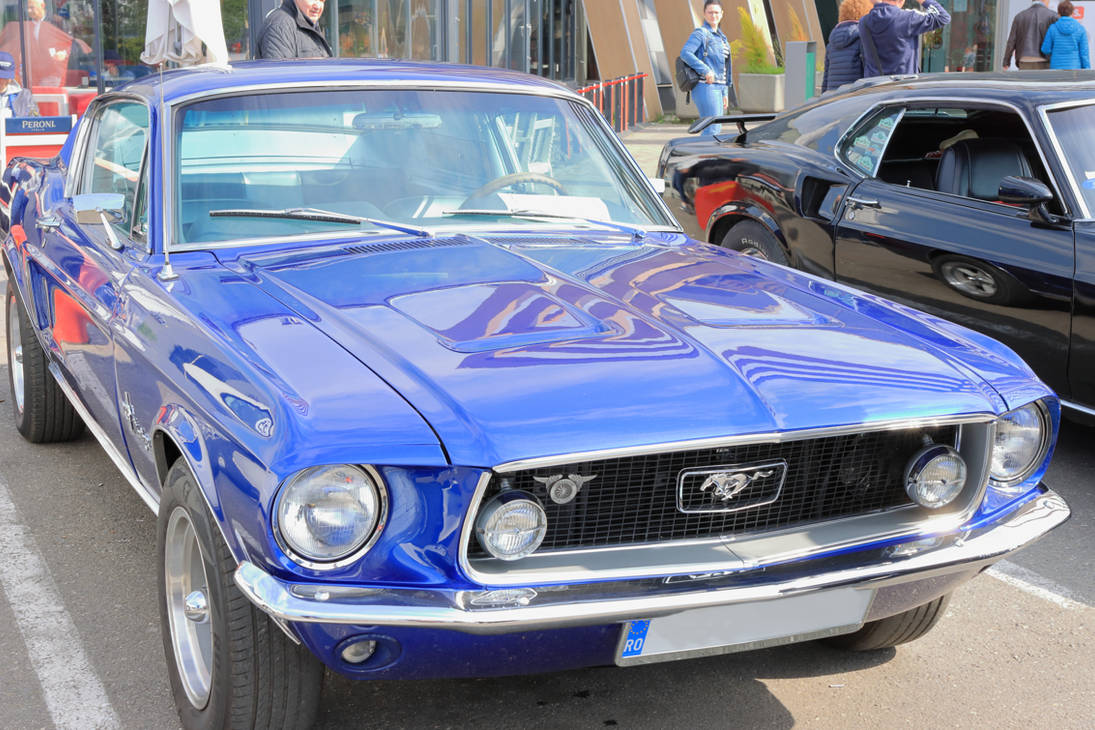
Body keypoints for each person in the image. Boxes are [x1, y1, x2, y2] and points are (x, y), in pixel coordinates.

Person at [0, 0, 89, 86]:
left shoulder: (57, 22)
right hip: (30, 71)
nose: (28, 11)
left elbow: (74, 43)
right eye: (27, 8)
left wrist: (64, 53)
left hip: (52, 72)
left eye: (32, 8)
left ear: (42, 6)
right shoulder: (25, 24)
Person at [858, 0, 950, 77]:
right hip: (902, 86)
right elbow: (943, 17)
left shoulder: (863, 22)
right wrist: (923, 1)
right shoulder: (907, 18)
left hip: (873, 87)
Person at [679, 0, 731, 135]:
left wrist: (724, 92)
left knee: (715, 126)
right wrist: (705, 70)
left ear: (722, 14)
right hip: (706, 86)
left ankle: (704, 154)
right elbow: (685, 53)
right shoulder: (701, 33)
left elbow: (724, 67)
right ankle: (703, 154)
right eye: (710, 12)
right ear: (704, 14)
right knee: (712, 127)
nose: (714, 15)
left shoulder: (722, 37)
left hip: (718, 87)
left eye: (717, 12)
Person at [821, 0, 874, 91]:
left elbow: (826, 77)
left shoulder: (831, 43)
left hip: (833, 98)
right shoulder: (862, 38)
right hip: (853, 96)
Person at [258, 0, 332, 59]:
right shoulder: (280, 26)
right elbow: (280, 74)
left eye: (322, 1)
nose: (318, 6)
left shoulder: (310, 25)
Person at [1003, 0, 1058, 69]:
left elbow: (1011, 42)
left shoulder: (1019, 16)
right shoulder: (1053, 15)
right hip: (1044, 59)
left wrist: (1006, 61)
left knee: (1024, 80)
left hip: (1024, 59)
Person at [1041, 1, 1090, 69]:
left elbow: (1046, 49)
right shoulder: (1080, 29)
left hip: (1056, 67)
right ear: (1072, 13)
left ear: (1058, 13)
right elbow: (1084, 53)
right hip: (1074, 68)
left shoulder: (1052, 28)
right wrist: (1087, 69)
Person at [0, 52, 38, 117]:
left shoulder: (25, 96)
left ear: (11, 78)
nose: (1, 80)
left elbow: (35, 120)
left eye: (5, 77)